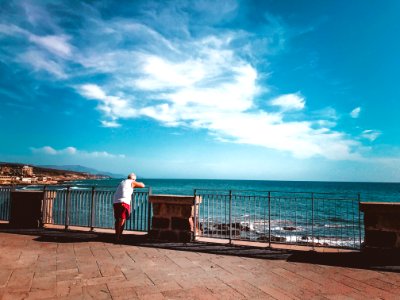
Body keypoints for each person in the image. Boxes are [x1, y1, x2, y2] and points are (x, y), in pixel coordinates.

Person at [113, 173, 145, 241]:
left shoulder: (122, 182)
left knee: (118, 219)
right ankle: (118, 237)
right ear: (133, 179)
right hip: (123, 202)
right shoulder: (131, 182)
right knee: (122, 219)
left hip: (116, 202)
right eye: (135, 180)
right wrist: (135, 183)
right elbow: (142, 185)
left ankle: (117, 235)